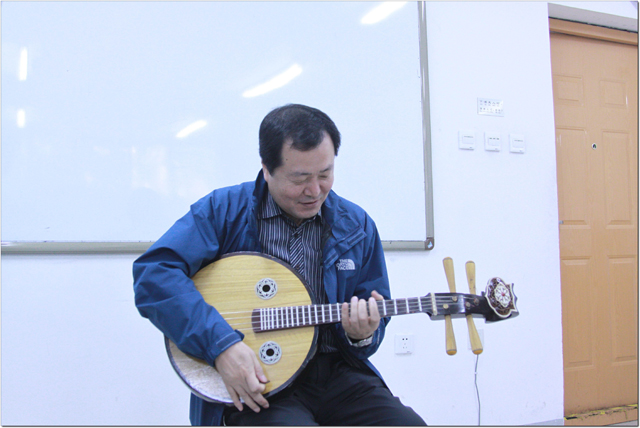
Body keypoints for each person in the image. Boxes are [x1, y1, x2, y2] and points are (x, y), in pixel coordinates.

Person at [132, 104, 426, 426]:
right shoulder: (223, 211)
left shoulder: (356, 225)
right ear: (266, 169)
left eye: (325, 174)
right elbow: (154, 274)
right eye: (300, 178)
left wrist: (362, 335)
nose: (315, 191)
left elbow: (371, 311)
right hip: (259, 381)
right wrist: (221, 345)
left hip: (338, 375)